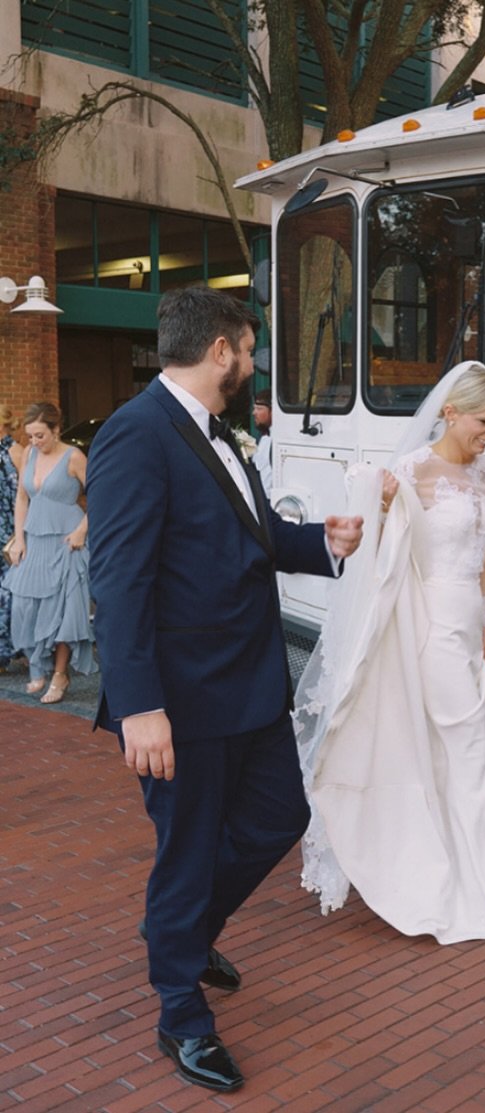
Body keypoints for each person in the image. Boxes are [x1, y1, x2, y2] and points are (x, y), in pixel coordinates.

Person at [86, 287, 364, 1094]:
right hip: (180, 701)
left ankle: (186, 928)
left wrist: (325, 543)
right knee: (188, 851)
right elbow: (120, 578)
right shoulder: (137, 435)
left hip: (250, 686)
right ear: (220, 350)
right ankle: (181, 1012)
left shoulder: (220, 436)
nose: (251, 362)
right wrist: (139, 705)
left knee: (283, 811)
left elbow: (254, 534)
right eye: (247, 348)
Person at [296, 361, 485, 945]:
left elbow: (482, 552)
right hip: (431, 629)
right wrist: (377, 501)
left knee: (461, 758)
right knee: (467, 755)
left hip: (469, 630)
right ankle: (470, 891)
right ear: (450, 412)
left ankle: (469, 879)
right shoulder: (412, 470)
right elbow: (373, 542)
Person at [3, 401, 95, 702]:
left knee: (63, 613)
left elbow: (101, 497)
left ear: (56, 430)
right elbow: (21, 499)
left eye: (40, 435)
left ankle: (59, 675)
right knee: (23, 607)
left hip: (67, 541)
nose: (34, 442)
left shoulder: (74, 457)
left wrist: (82, 530)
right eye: (30, 436)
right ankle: (38, 666)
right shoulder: (28, 454)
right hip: (34, 539)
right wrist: (19, 539)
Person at [0, 405, 23, 671]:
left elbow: (23, 496)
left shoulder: (16, 452)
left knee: (9, 593)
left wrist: (19, 535)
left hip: (9, 530)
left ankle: (7, 652)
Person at [251, 388, 272, 494]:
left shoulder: (277, 440)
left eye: (259, 408)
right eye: (254, 408)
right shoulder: (263, 438)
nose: (254, 413)